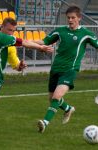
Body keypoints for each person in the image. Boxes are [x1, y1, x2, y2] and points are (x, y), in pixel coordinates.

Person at [33, 5, 98, 133]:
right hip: (56, 69)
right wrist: (25, 41)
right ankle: (68, 109)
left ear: (79, 18)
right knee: (52, 98)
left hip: (70, 70)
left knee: (56, 97)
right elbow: (44, 41)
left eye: (73, 17)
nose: (70, 20)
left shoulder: (86, 34)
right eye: (68, 18)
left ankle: (44, 123)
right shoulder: (60, 31)